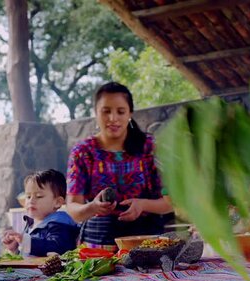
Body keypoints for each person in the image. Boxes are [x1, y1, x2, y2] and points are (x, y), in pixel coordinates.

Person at [66, 82, 173, 251]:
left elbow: (170, 202)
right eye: (106, 111)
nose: (113, 118)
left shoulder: (150, 147)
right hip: (96, 249)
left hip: (147, 245)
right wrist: (92, 207)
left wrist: (142, 205)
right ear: (96, 113)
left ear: (130, 113)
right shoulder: (83, 152)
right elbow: (73, 208)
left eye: (120, 111)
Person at [2, 169, 79, 256]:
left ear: (57, 202)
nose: (31, 200)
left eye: (39, 196)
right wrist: (15, 247)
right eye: (28, 196)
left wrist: (26, 241)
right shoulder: (31, 224)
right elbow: (28, 254)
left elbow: (57, 247)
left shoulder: (60, 224)